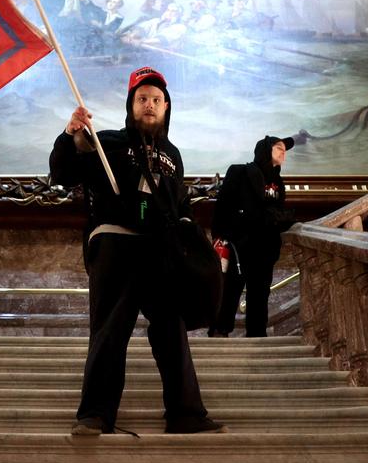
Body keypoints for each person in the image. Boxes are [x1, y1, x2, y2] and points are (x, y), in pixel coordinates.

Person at [49, 67, 225, 436]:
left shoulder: (172, 155)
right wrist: (71, 134)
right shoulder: (105, 141)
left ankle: (186, 414)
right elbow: (64, 172)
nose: (150, 105)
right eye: (142, 99)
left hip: (162, 251)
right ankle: (95, 414)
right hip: (116, 244)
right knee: (110, 330)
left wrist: (192, 238)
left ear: (166, 108)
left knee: (171, 331)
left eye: (157, 100)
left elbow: (181, 205)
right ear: (131, 105)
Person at [210, 136, 296, 338]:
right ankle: (219, 332)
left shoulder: (278, 183)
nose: (283, 152)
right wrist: (221, 238)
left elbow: (279, 213)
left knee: (260, 294)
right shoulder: (239, 171)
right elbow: (222, 207)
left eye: (285, 150)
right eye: (278, 148)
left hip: (265, 248)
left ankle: (257, 337)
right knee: (230, 292)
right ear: (265, 150)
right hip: (239, 247)